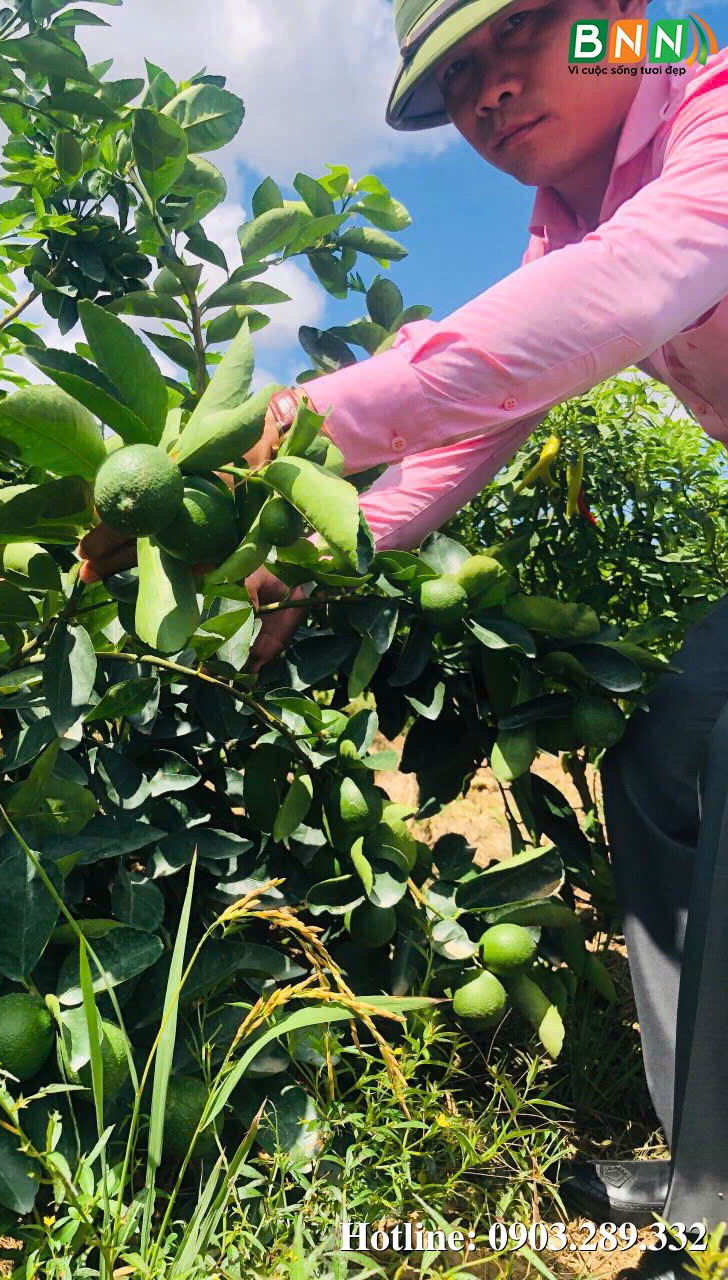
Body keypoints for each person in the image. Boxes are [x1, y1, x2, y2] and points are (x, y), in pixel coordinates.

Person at [79, 0, 728, 1267]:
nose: (489, 91)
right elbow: (477, 422)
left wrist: (294, 419)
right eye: (459, 75)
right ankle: (707, 1155)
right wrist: (322, 553)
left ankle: (711, 1212)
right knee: (663, 758)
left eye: (520, 35)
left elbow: (640, 281)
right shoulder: (562, 228)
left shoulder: (710, 110)